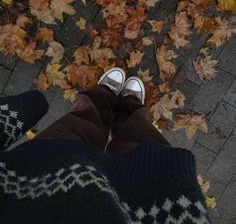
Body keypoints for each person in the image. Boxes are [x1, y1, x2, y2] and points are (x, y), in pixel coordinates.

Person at [0, 67, 210, 223]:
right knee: (139, 134)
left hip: (40, 168)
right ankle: (130, 105)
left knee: (83, 120)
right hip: (149, 195)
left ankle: (105, 95)